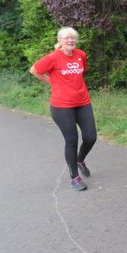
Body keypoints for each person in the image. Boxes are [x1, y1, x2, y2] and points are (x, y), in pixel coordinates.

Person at [29, 27, 97, 192]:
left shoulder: (81, 55)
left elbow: (80, 74)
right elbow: (34, 70)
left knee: (91, 137)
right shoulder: (52, 57)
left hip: (83, 102)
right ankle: (74, 177)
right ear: (60, 40)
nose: (70, 40)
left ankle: (80, 160)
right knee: (72, 140)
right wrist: (51, 82)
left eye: (73, 38)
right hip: (62, 106)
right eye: (67, 38)